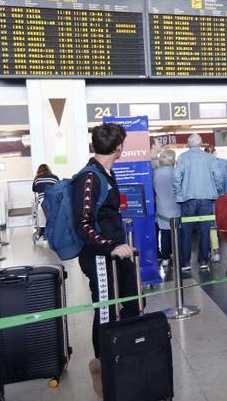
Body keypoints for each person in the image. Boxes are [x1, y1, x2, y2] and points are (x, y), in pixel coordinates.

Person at [73, 123, 138, 395]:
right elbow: (83, 224)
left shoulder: (106, 173)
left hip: (116, 253)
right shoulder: (89, 177)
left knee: (130, 305)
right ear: (119, 147)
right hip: (100, 257)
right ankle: (103, 367)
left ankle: (124, 360)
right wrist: (111, 245)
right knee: (106, 312)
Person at [174, 133, 224, 272]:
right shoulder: (209, 158)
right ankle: (203, 261)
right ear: (201, 144)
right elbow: (218, 176)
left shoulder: (183, 157)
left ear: (188, 144)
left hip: (188, 198)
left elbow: (176, 176)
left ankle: (185, 263)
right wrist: (218, 190)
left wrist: (179, 193)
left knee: (186, 232)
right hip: (207, 198)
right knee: (204, 230)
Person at [153, 149, 180, 267]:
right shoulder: (176, 172)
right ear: (172, 159)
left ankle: (165, 258)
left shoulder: (155, 173)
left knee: (164, 233)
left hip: (161, 208)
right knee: (176, 234)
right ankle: (176, 256)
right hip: (176, 207)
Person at [206, 145, 227, 264]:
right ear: (215, 152)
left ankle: (215, 252)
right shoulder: (225, 163)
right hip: (225, 200)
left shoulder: (204, 166)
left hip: (210, 200)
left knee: (212, 227)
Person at [32, 164, 60, 237]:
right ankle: (55, 229)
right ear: (48, 169)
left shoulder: (37, 179)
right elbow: (59, 186)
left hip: (42, 200)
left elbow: (34, 189)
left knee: (41, 211)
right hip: (53, 199)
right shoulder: (54, 177)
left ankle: (42, 229)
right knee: (54, 213)